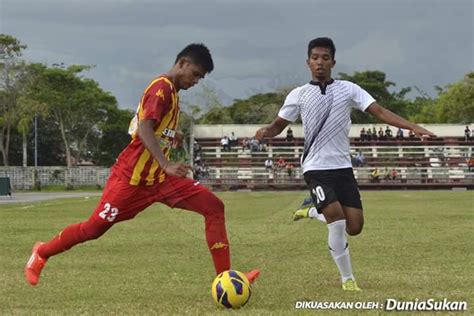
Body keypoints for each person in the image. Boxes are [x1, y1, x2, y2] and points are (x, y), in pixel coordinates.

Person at [24, 43, 259, 286]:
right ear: (182, 64)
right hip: (131, 179)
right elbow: (145, 127)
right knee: (93, 229)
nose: (196, 81)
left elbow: (141, 125)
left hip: (160, 180)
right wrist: (166, 163)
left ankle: (226, 280)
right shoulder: (161, 88)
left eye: (200, 77)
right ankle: (41, 253)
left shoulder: (172, 93)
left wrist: (170, 136)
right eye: (195, 74)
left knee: (214, 208)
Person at [255, 37, 435, 291]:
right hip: (316, 168)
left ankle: (312, 211)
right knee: (337, 220)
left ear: (333, 62)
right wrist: (265, 132)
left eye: (325, 58)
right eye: (315, 58)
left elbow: (380, 111)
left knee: (355, 226)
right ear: (308, 62)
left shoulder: (349, 89)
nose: (320, 63)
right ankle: (347, 279)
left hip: (342, 168)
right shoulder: (299, 94)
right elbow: (278, 125)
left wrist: (413, 127)